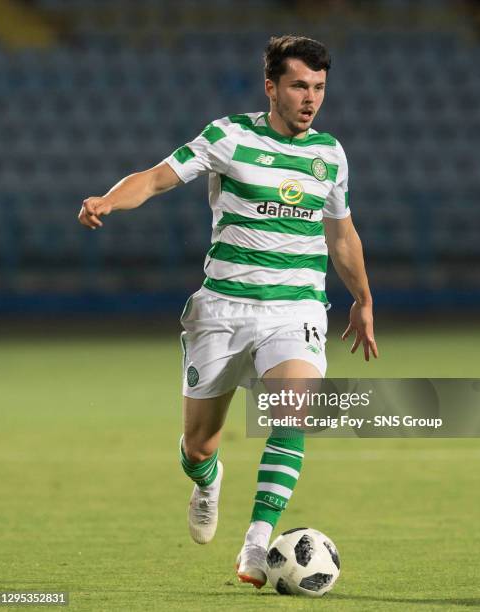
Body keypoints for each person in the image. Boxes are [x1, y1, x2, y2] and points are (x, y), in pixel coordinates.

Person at [78, 34, 378, 589]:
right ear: (271, 87)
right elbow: (156, 176)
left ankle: (257, 544)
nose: (310, 99)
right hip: (222, 310)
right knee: (199, 444)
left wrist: (362, 300)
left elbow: (342, 235)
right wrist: (107, 199)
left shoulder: (330, 155)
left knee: (293, 411)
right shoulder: (228, 136)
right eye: (298, 86)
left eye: (319, 88)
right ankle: (207, 479)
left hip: (296, 309)